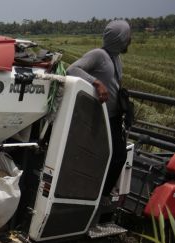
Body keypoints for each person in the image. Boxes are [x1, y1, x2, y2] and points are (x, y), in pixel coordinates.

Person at [67, 19, 132, 196]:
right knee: (116, 155)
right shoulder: (98, 55)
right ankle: (100, 196)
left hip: (113, 117)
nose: (130, 40)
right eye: (128, 36)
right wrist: (96, 83)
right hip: (99, 118)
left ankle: (99, 193)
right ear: (121, 38)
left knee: (114, 156)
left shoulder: (116, 57)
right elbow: (72, 69)